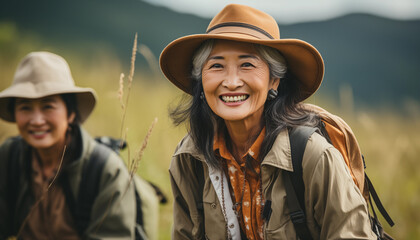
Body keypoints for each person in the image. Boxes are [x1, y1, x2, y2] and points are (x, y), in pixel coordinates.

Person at [160, 4, 377, 240]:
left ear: (274, 80)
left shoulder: (312, 156)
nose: (231, 82)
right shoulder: (189, 158)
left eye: (247, 65)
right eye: (216, 66)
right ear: (201, 81)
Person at [0, 52, 136, 239]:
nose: (37, 120)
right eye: (25, 107)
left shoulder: (105, 170)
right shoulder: (9, 156)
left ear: (71, 113)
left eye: (48, 106)